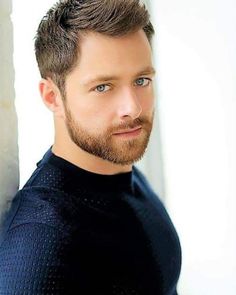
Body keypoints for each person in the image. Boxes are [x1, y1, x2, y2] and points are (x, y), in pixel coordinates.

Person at [0, 0, 182, 294]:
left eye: (141, 80)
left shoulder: (124, 171)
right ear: (52, 97)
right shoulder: (40, 241)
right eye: (103, 87)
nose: (132, 108)